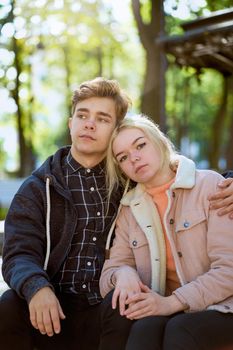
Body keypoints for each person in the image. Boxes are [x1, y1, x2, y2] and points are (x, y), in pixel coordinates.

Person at [0, 77, 131, 350]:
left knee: (128, 307)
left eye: (103, 118)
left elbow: (174, 171)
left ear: (116, 130)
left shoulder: (129, 182)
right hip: (52, 305)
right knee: (9, 305)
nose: (89, 123)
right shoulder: (38, 187)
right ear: (71, 123)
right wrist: (37, 287)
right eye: (82, 115)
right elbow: (18, 253)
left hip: (105, 306)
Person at [98, 114, 233, 350]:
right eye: (123, 157)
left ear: (159, 141)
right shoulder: (130, 208)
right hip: (167, 307)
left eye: (140, 145)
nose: (135, 158)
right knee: (141, 328)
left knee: (180, 330)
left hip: (223, 305)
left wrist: (172, 303)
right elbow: (108, 276)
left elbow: (229, 270)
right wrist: (122, 273)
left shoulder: (209, 186)